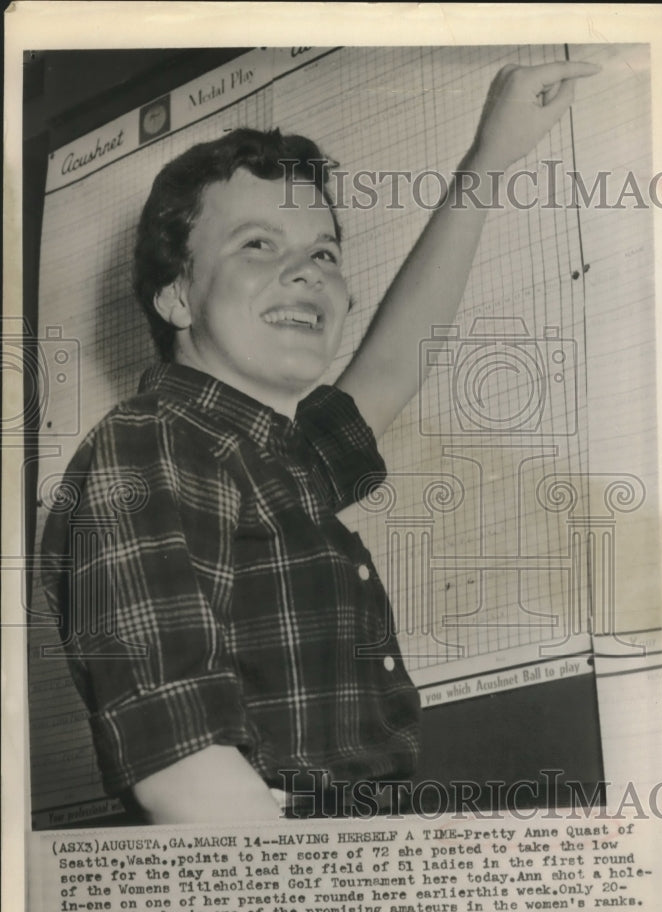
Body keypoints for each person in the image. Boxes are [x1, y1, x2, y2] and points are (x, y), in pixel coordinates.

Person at [41, 61, 599, 824]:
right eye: (257, 246)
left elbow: (394, 364)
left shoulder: (270, 458)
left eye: (325, 253)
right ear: (174, 293)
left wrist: (487, 161)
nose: (305, 273)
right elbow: (183, 766)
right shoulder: (150, 447)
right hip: (282, 897)